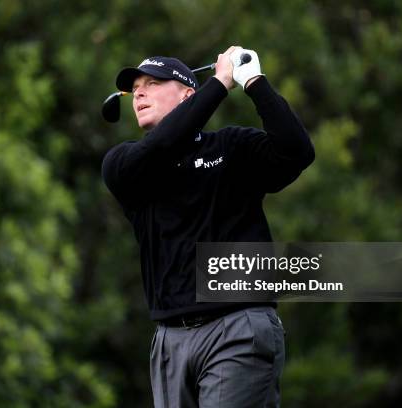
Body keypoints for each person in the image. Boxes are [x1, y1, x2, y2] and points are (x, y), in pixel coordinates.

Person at [101, 46, 315, 408]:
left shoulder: (231, 148)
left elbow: (297, 151)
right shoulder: (125, 164)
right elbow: (164, 145)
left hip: (238, 328)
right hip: (170, 342)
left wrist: (255, 84)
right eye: (135, 88)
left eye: (153, 83)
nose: (139, 93)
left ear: (188, 94)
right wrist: (218, 82)